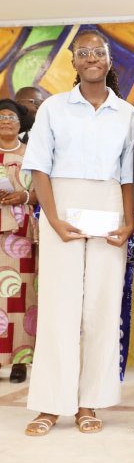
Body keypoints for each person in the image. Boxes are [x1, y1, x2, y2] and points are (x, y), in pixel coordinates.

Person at [22, 29, 134, 436]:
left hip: (110, 207)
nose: (91, 58)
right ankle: (50, 405)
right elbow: (39, 166)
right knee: (59, 308)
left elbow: (129, 175)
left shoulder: (127, 114)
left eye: (98, 52)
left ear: (109, 60)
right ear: (73, 61)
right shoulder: (53, 108)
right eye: (83, 52)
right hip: (62, 206)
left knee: (102, 310)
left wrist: (129, 223)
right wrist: (52, 219)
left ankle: (89, 403)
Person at [0, 99, 38, 383]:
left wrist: (24, 196)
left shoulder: (32, 153)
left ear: (20, 123)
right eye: (1, 116)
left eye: (11, 117)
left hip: (22, 234)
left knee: (23, 296)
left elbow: (43, 190)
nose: (6, 121)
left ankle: (20, 361)